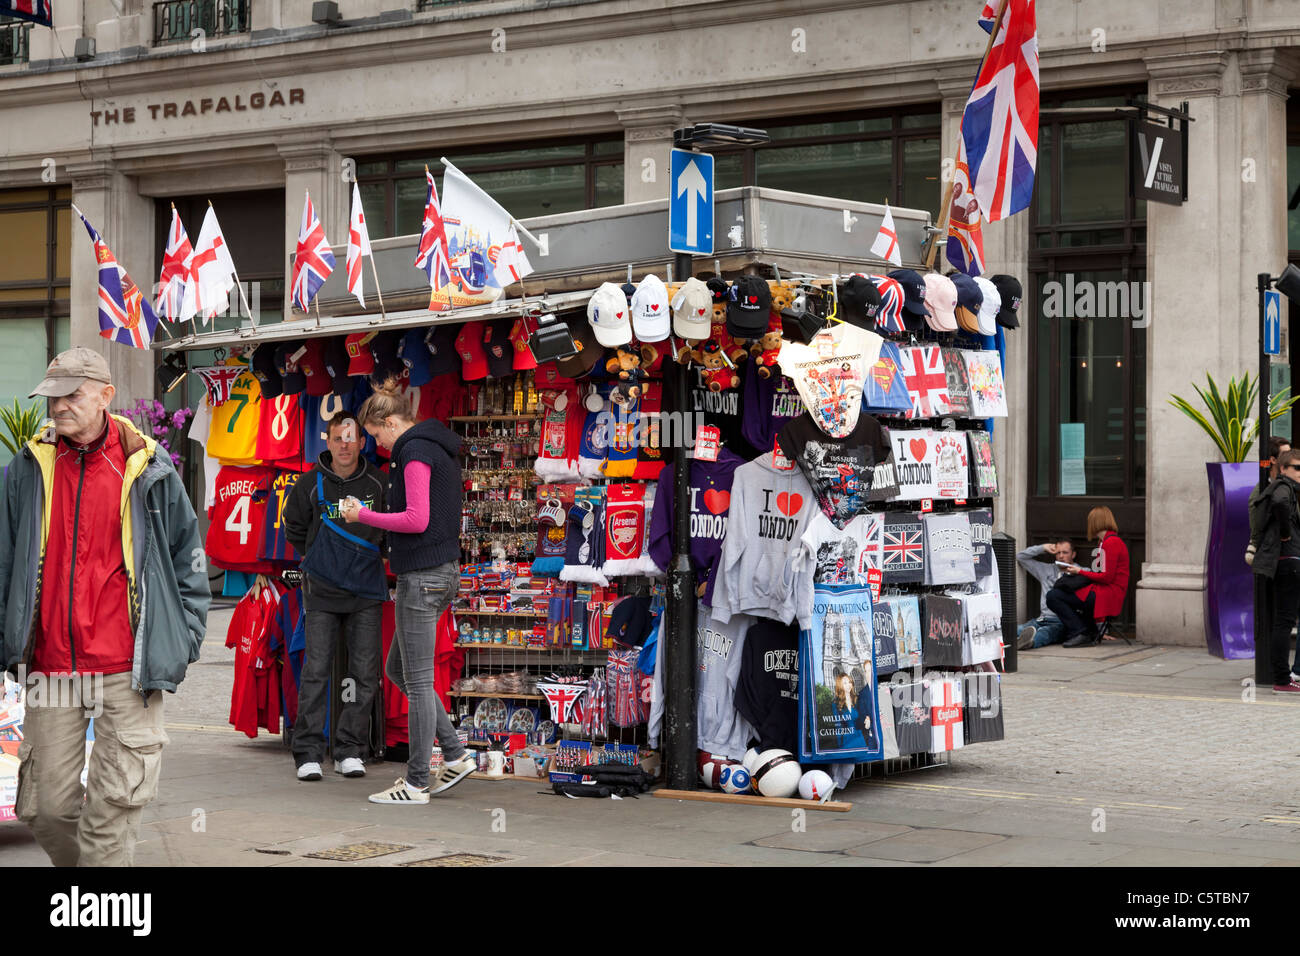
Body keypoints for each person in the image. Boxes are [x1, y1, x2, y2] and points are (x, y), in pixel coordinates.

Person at [0, 348, 210, 866]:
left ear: (105, 395)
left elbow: (189, 558)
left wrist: (181, 638)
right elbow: (4, 558)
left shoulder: (149, 465)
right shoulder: (27, 469)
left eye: (72, 395)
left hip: (128, 666)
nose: (59, 407)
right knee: (45, 807)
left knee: (112, 811)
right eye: (52, 397)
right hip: (51, 665)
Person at [339, 383, 477, 804]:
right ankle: (455, 753)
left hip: (423, 576)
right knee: (399, 668)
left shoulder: (415, 451)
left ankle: (416, 782)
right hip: (438, 572)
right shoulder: (435, 446)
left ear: (392, 423)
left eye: (377, 435)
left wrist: (363, 515)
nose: (377, 445)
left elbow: (417, 519)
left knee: (415, 682)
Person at [282, 411, 388, 781]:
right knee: (316, 670)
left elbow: (392, 532)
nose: (345, 444)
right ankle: (308, 751)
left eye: (352, 438)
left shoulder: (380, 483)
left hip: (367, 591)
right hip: (322, 592)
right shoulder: (309, 483)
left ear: (363, 442)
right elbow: (293, 528)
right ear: (326, 441)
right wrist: (316, 557)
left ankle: (349, 750)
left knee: (364, 673)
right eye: (338, 438)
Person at [1248, 448, 1300, 692]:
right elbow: (1279, 504)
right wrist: (1286, 533)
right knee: (1284, 620)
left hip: (1288, 560)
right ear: (1283, 468)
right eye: (1297, 468)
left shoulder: (1286, 488)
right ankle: (1281, 678)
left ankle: (1285, 675)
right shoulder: (1283, 487)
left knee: (1284, 619)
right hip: (1289, 560)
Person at [1048, 506, 1130, 648]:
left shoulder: (1111, 542)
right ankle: (1084, 631)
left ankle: (1080, 632)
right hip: (1103, 590)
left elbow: (1106, 577)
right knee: (1058, 593)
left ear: (1095, 522)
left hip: (1108, 593)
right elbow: (1100, 573)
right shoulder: (1104, 542)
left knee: (1053, 596)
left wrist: (1079, 572)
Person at [1015, 537, 1076, 650]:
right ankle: (1017, 640)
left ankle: (1029, 642)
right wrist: (1043, 547)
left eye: (1065, 552)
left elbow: (1095, 600)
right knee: (1015, 630)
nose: (1061, 556)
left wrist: (1100, 629)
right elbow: (1020, 557)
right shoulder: (1046, 570)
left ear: (1073, 554)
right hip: (1041, 619)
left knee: (1045, 633)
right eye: (1058, 553)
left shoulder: (1081, 571)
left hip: (1062, 621)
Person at [1247, 435, 1291, 567]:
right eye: (1285, 455)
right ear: (1273, 459)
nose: (1290, 458)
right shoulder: (1260, 493)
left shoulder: (1290, 481)